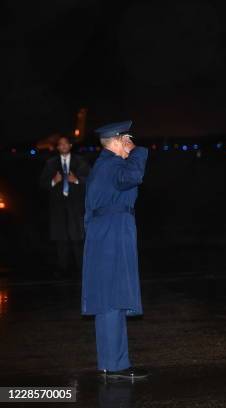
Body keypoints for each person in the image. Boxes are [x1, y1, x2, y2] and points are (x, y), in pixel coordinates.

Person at [82, 120, 149, 380]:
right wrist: (138, 152)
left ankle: (113, 363)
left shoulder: (104, 165)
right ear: (119, 140)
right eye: (128, 139)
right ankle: (115, 366)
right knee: (112, 298)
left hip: (108, 232)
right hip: (112, 234)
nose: (130, 145)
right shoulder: (111, 164)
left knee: (112, 298)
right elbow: (134, 176)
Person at [39, 136, 90, 278]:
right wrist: (53, 181)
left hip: (76, 206)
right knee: (61, 240)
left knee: (78, 238)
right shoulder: (51, 163)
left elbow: (91, 179)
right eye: (60, 144)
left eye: (65, 143)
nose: (63, 146)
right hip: (58, 207)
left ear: (70, 145)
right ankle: (62, 269)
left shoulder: (80, 161)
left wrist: (77, 180)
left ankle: (82, 269)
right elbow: (42, 183)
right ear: (57, 147)